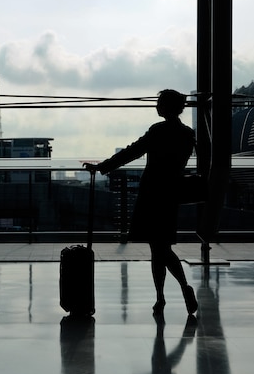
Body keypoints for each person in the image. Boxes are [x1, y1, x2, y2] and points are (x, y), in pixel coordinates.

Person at [84, 89, 198, 316]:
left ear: (165, 107)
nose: (156, 106)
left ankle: (166, 295)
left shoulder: (158, 131)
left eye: (159, 103)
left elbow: (131, 152)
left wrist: (103, 166)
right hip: (170, 193)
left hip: (152, 193)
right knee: (161, 248)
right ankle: (169, 295)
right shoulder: (187, 134)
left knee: (158, 249)